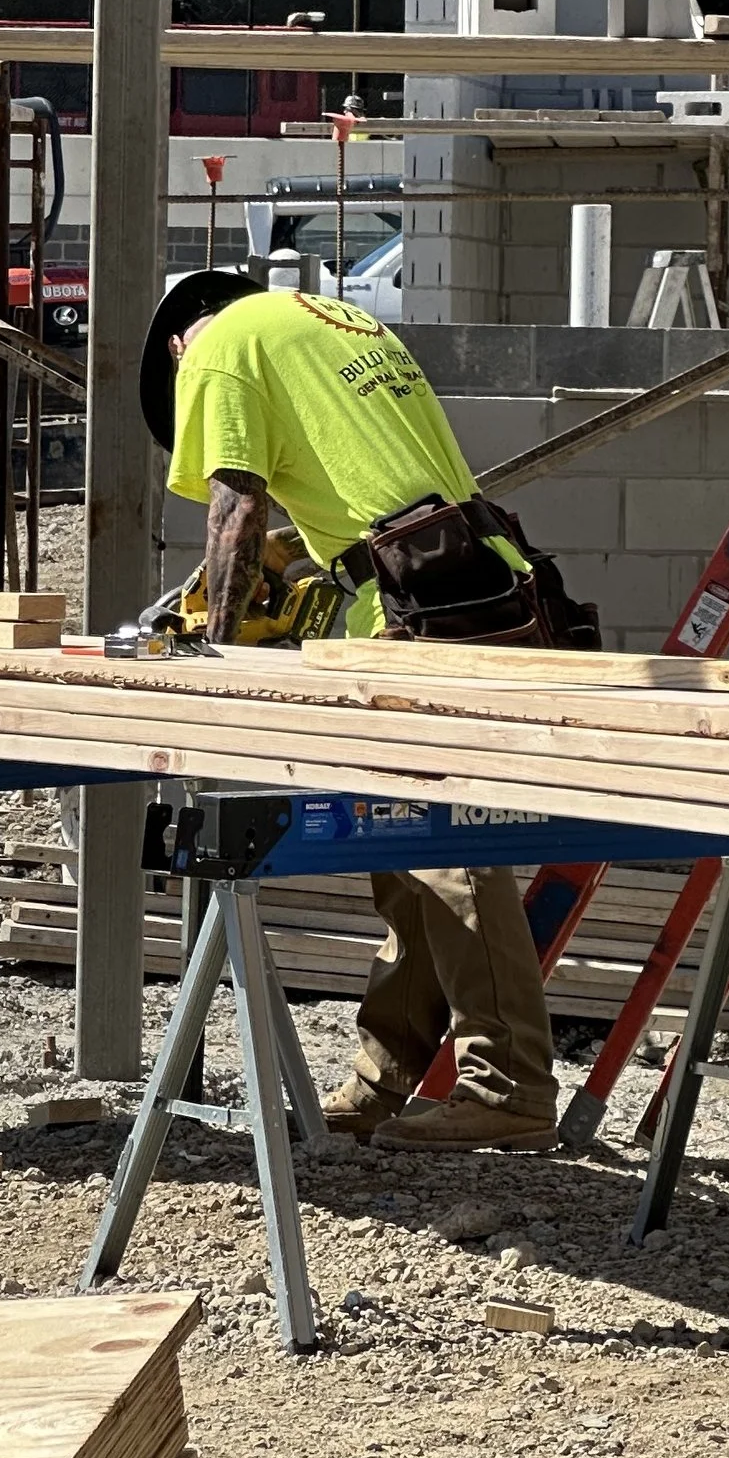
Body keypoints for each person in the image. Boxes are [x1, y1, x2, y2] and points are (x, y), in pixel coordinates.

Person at [144, 269, 565, 1154]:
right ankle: (383, 1080)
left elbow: (235, 506)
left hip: (420, 609)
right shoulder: (328, 321)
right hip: (474, 581)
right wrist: (295, 566)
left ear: (180, 346)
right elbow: (369, 492)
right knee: (404, 850)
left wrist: (215, 653)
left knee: (448, 846)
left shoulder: (217, 350)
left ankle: (510, 1083)